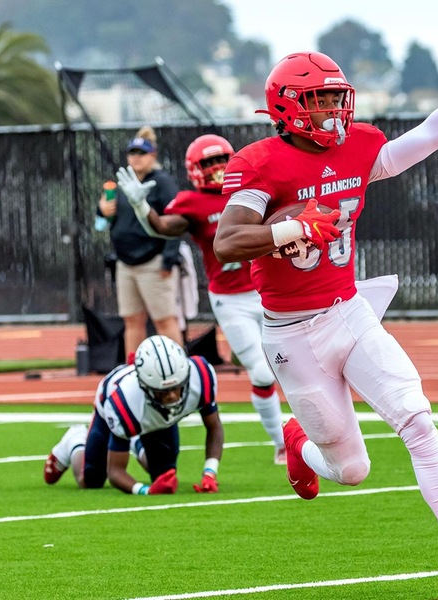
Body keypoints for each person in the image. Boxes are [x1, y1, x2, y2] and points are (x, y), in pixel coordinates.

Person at [212, 21, 438, 596]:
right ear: (289, 106)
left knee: (417, 420)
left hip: (348, 310)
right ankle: (299, 442)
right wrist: (294, 227)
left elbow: (423, 139)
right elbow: (229, 241)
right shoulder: (259, 162)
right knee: (352, 470)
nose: (333, 111)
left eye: (336, 98)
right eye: (320, 100)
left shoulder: (359, 145)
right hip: (291, 335)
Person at [124, 133, 287, 465]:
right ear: (194, 170)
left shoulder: (252, 191)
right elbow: (163, 227)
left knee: (298, 366)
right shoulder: (193, 203)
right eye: (208, 163)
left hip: (270, 291)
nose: (216, 168)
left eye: (220, 160)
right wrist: (142, 208)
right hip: (232, 301)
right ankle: (282, 443)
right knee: (261, 372)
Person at [43, 335, 224, 495]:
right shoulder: (125, 402)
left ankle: (135, 441)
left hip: (152, 419)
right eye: (163, 391)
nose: (172, 396)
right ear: (145, 387)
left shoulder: (200, 377)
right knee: (91, 480)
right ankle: (74, 441)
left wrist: (210, 472)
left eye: (176, 388)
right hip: (112, 402)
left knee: (163, 476)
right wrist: (146, 491)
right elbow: (115, 472)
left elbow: (214, 427)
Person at [99, 126, 184, 355]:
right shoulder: (123, 183)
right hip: (125, 264)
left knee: (164, 321)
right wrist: (101, 211)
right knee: (132, 322)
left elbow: (176, 221)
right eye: (132, 153)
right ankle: (132, 371)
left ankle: (179, 370)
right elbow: (103, 221)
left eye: (141, 153)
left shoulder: (161, 182)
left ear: (152, 155)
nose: (136, 158)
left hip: (153, 262)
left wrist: (168, 260)